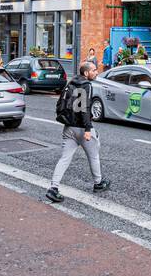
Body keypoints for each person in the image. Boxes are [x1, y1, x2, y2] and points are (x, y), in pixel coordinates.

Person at [46, 61, 110, 203]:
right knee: (93, 156)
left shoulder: (71, 82)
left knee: (64, 158)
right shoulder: (86, 85)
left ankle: (53, 188)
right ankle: (98, 183)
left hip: (69, 127)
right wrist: (88, 128)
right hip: (82, 127)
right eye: (94, 70)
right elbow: (84, 107)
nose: (96, 72)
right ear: (86, 73)